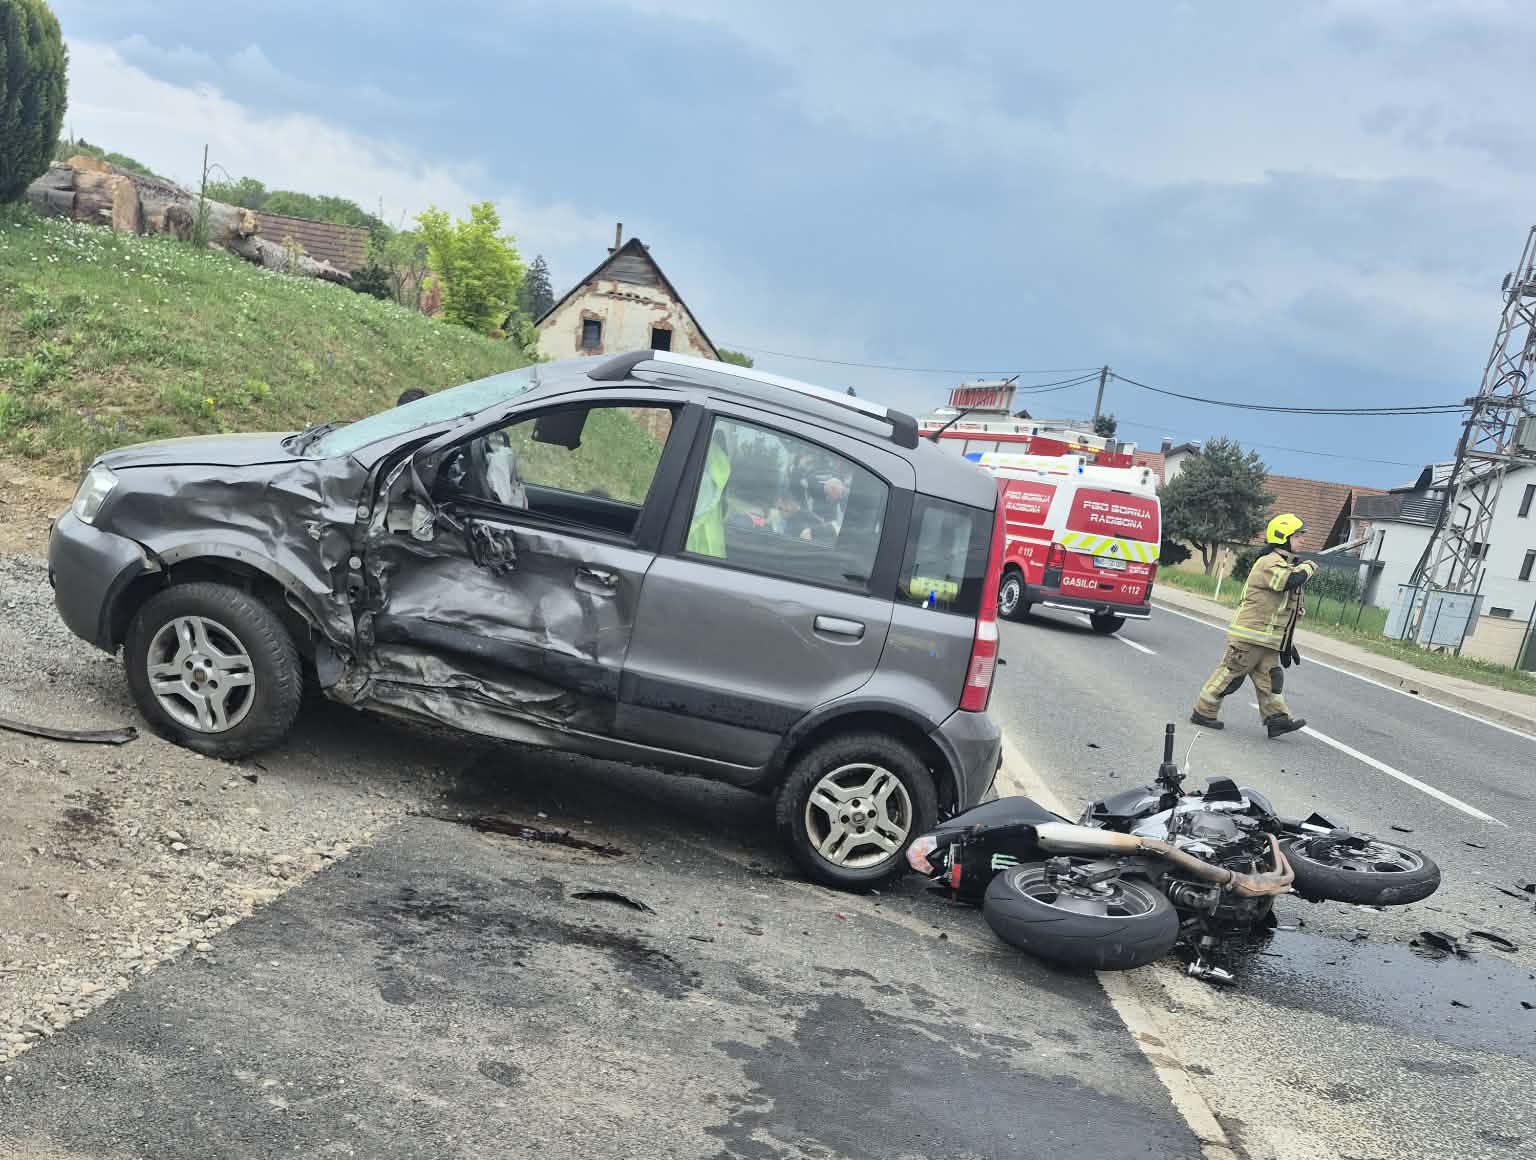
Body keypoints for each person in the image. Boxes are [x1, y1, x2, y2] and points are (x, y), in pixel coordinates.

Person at [1191, 513, 1317, 739]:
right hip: (1249, 638)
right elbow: (1287, 582)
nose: (1303, 540)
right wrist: (1308, 568)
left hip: (1268, 640)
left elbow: (1285, 610)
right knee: (1230, 676)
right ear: (1283, 537)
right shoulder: (1269, 563)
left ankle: (1276, 719)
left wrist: (1287, 642)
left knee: (1271, 679)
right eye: (1298, 536)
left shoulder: (1286, 565)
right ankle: (1203, 711)